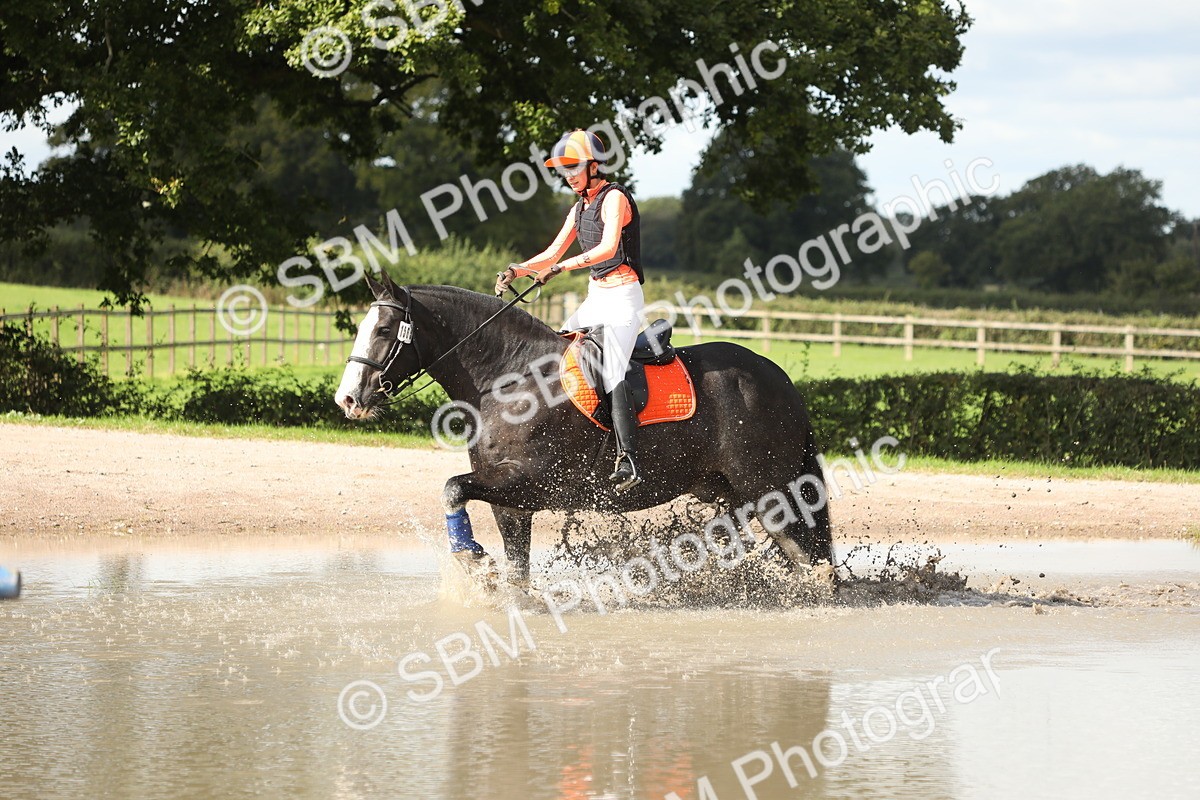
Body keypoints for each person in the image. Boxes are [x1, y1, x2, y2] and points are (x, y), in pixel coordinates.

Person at [494, 129, 645, 494]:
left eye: (573, 167)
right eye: (563, 170)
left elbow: (609, 249)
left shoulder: (615, 198)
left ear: (594, 166)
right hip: (596, 297)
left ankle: (628, 459)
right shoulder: (579, 207)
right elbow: (551, 253)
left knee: (611, 369)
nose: (568, 175)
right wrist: (519, 269)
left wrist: (561, 270)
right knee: (555, 355)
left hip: (623, 298)